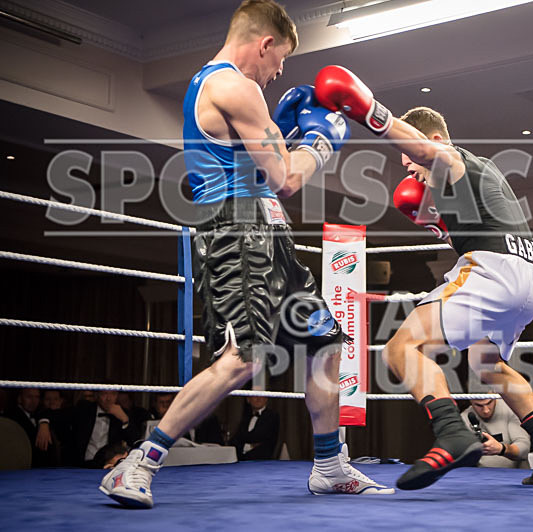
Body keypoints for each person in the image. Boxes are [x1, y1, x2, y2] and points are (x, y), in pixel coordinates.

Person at [100, 1, 391, 508]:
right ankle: (138, 462)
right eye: (279, 60)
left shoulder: (228, 91)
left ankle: (329, 466)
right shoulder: (235, 86)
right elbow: (288, 178)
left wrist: (291, 137)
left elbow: (270, 173)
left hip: (268, 232)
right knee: (245, 357)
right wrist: (324, 139)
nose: (279, 72)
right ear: (265, 43)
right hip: (236, 232)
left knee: (323, 342)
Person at [312, 66, 533, 490]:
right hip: (532, 279)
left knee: (400, 349)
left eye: (413, 162)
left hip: (495, 271)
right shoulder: (481, 171)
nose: (412, 172)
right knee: (486, 364)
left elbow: (429, 153)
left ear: (431, 141)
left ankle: (451, 432)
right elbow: (480, 224)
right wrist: (436, 226)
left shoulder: (448, 155)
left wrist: (366, 111)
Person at [460, 398, 531, 468]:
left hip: (517, 475)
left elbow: (524, 449)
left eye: (489, 403)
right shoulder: (464, 418)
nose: (486, 410)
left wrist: (502, 449)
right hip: (481, 475)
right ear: (471, 401)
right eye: (479, 405)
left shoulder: (511, 410)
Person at [232, 396, 280, 460]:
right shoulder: (246, 417)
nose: (258, 398)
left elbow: (259, 436)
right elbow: (236, 438)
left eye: (261, 396)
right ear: (248, 399)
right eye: (255, 396)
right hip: (242, 460)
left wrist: (243, 440)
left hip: (261, 461)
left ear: (266, 399)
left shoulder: (271, 415)